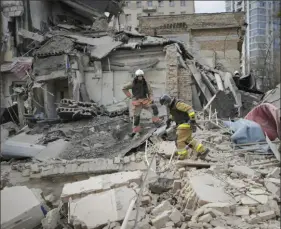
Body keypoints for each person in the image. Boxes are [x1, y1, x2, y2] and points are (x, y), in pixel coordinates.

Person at [159, 94, 210, 160]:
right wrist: (169, 119)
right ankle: (203, 150)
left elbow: (189, 109)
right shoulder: (173, 106)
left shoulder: (177, 104)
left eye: (165, 103)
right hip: (184, 124)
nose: (165, 105)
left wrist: (192, 119)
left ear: (167, 101)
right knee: (188, 140)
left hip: (185, 124)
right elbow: (176, 115)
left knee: (179, 141)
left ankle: (183, 155)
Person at [122, 69, 162, 138]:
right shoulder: (132, 83)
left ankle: (156, 121)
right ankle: (136, 131)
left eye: (141, 76)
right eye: (139, 76)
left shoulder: (146, 83)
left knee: (154, 108)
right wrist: (130, 96)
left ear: (143, 76)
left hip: (145, 100)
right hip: (137, 101)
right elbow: (124, 88)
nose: (140, 77)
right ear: (136, 76)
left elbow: (150, 92)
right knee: (136, 117)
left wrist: (151, 98)